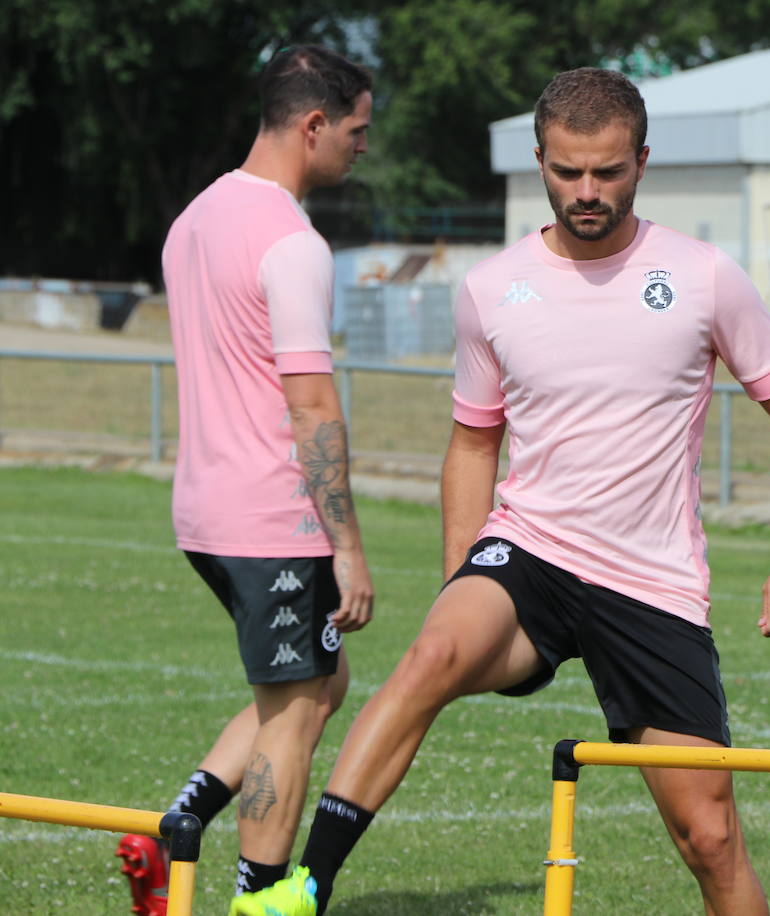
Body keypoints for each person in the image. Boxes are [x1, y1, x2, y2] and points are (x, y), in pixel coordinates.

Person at [229, 67, 770, 916]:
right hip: (530, 555)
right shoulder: (491, 290)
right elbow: (474, 442)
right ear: (540, 160)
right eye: (567, 171)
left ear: (642, 163)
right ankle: (308, 888)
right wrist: (460, 577)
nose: (587, 192)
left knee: (711, 839)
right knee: (430, 656)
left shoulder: (704, 277)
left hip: (649, 583)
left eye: (609, 172)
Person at [114, 45, 375, 916]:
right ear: (312, 125)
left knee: (316, 687)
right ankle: (258, 901)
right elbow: (310, 406)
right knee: (296, 711)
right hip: (274, 521)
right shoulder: (292, 242)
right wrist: (347, 546)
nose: (360, 149)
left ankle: (174, 828)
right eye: (356, 131)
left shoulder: (192, 218)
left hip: (204, 513)